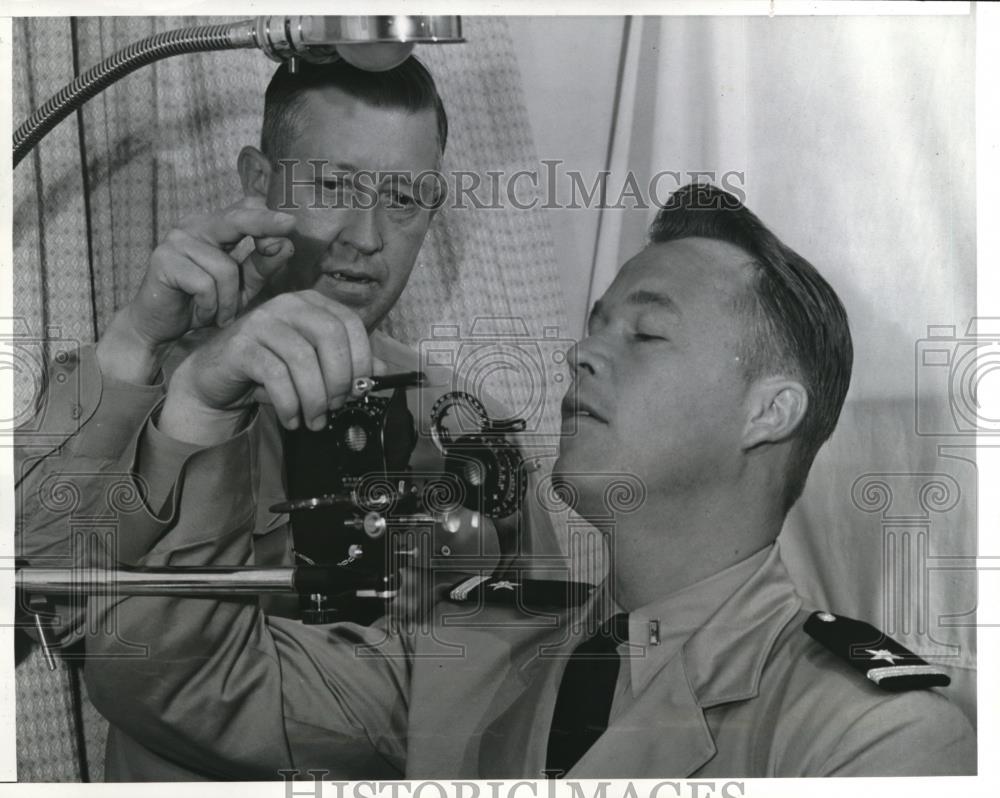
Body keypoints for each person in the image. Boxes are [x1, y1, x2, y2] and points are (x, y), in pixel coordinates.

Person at [81, 183, 975, 779]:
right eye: (594, 325)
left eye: (645, 333)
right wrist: (199, 404)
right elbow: (159, 675)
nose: (581, 352)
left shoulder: (866, 737)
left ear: (769, 413)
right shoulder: (469, 648)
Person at [16, 56, 557, 780]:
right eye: (333, 186)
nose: (367, 236)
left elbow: (489, 716)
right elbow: (27, 591)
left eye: (403, 197)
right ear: (256, 182)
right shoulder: (150, 383)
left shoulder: (466, 434)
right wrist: (135, 343)